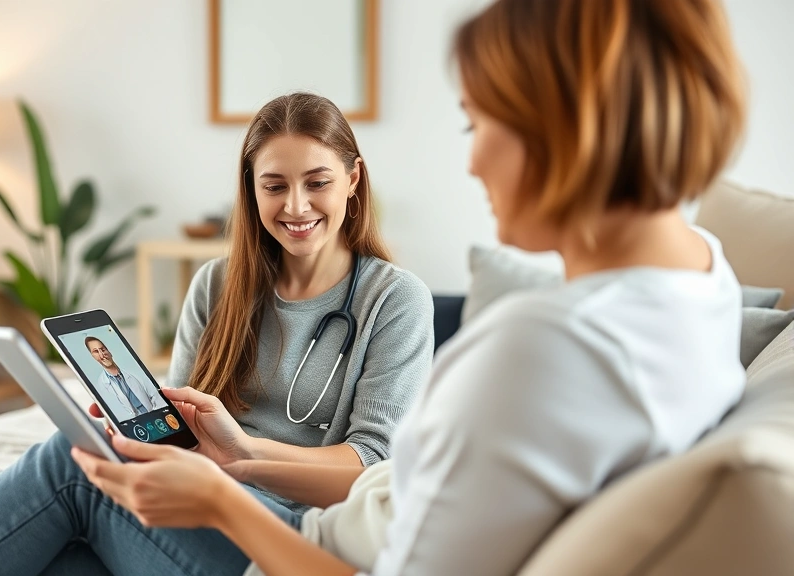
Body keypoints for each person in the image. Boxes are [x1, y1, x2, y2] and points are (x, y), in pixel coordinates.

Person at [75, 0, 749, 574]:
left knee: (65, 472)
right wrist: (239, 458)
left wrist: (220, 497)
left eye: (478, 123)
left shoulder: (541, 348)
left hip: (296, 545)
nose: (472, 159)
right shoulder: (705, 279)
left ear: (565, 128)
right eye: (274, 185)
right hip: (305, 521)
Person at [0, 93, 434, 575]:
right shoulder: (217, 285)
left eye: (318, 182)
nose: (295, 205)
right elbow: (179, 435)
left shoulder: (393, 300)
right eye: (274, 186)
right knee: (66, 552)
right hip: (199, 505)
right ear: (251, 190)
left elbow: (373, 468)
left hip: (288, 536)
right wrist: (131, 427)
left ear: (354, 179)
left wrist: (240, 458)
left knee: (68, 466)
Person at [84, 336, 167, 420]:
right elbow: (119, 413)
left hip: (157, 417)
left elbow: (156, 396)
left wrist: (159, 415)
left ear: (109, 352)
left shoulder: (134, 371)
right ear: (93, 357)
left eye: (103, 349)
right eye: (96, 351)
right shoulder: (102, 384)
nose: (102, 355)